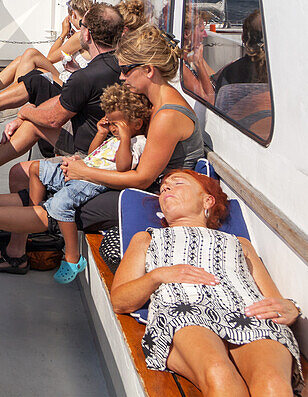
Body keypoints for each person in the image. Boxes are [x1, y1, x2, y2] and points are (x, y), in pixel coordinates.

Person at [111, 170, 303, 396]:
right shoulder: (148, 238)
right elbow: (120, 302)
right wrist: (158, 275)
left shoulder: (240, 244)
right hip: (185, 309)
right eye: (163, 188)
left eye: (177, 183)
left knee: (273, 384)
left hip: (250, 311)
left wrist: (292, 308)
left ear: (207, 200)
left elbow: (274, 300)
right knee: (218, 374)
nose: (166, 189)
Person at [0, 83, 150, 281]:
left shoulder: (137, 142)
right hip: (82, 169)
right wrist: (102, 133)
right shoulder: (113, 137)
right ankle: (32, 214)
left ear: (136, 124)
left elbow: (122, 167)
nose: (112, 128)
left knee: (60, 205)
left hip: (92, 181)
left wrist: (125, 138)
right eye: (110, 123)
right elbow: (93, 153)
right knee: (36, 169)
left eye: (116, 125)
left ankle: (72, 256)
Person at [0, 2, 124, 188]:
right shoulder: (121, 66)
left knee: (34, 109)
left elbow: (53, 120)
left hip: (90, 148)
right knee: (35, 90)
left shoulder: (86, 76)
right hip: (104, 138)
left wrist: (25, 112)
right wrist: (28, 114)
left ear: (87, 34)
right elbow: (63, 102)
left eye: (82, 25)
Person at [71, 23, 207, 233]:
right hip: (152, 186)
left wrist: (85, 172)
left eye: (125, 69)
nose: (121, 77)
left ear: (148, 70)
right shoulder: (155, 102)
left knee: (75, 206)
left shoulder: (168, 115)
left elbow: (142, 179)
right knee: (68, 194)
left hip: (162, 197)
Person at [0, 0, 94, 124]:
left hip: (70, 86)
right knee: (22, 60)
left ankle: (5, 104)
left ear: (74, 15)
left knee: (31, 54)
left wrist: (63, 34)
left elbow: (51, 57)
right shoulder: (84, 34)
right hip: (71, 80)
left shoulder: (79, 36)